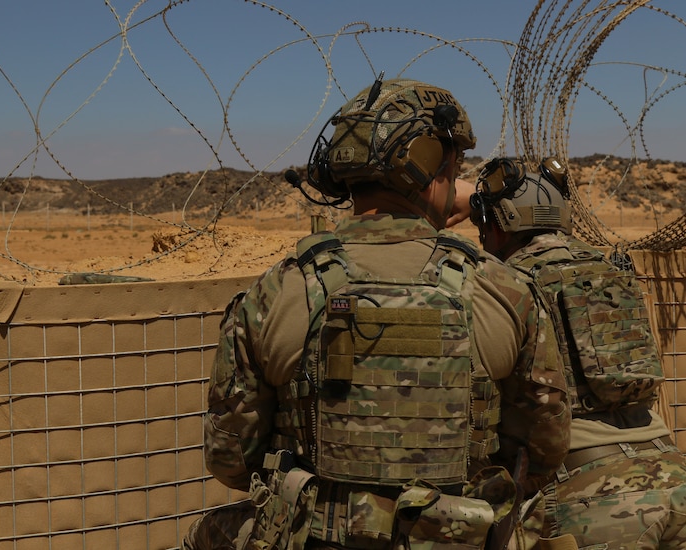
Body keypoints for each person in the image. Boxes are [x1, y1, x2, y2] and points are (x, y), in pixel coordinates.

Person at [185, 78, 570, 550]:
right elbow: (544, 448)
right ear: (432, 163)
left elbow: (229, 459)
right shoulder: (504, 290)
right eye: (455, 163)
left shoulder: (277, 291)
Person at [467, 156, 686, 549]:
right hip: (673, 473)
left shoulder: (503, 285)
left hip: (588, 497)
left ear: (499, 223)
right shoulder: (610, 271)